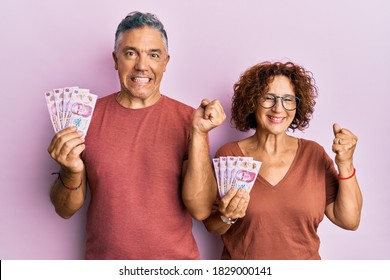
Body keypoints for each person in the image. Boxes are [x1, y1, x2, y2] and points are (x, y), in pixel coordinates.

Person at [47, 11, 226, 259]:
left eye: (153, 55)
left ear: (166, 62)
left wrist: (197, 134)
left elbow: (201, 209)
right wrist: (70, 169)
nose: (142, 65)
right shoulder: (84, 118)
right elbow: (64, 210)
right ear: (115, 59)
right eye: (130, 53)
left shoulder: (190, 120)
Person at [203, 61, 363, 259]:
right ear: (253, 102)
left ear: (298, 104)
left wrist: (345, 163)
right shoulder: (230, 156)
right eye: (269, 98)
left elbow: (349, 220)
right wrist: (227, 216)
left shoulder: (314, 154)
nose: (278, 108)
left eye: (288, 99)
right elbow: (211, 225)